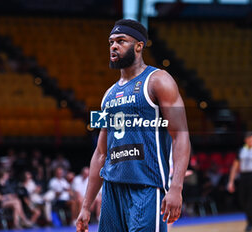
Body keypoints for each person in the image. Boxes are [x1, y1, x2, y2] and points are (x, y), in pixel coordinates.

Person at [76, 19, 190, 232]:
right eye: (111, 42)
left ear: (139, 45)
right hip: (112, 190)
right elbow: (100, 154)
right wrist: (86, 206)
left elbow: (181, 135)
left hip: (147, 185)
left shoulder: (159, 80)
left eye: (121, 41)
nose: (113, 46)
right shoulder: (107, 95)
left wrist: (176, 187)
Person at [227, 131, 252, 232]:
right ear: (246, 140)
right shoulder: (241, 150)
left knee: (251, 201)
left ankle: (251, 222)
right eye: (250, 139)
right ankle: (249, 218)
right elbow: (234, 167)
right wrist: (231, 181)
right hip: (243, 177)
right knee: (242, 199)